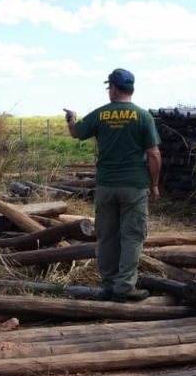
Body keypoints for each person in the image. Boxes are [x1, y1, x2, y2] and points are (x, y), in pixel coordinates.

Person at [64, 68, 161, 302]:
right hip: (134, 186)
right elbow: (154, 154)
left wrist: (71, 118)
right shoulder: (143, 116)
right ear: (131, 89)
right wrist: (155, 185)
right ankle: (125, 286)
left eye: (110, 87)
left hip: (106, 185)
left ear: (115, 89)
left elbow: (76, 132)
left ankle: (108, 284)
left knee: (106, 235)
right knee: (132, 236)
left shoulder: (101, 115)